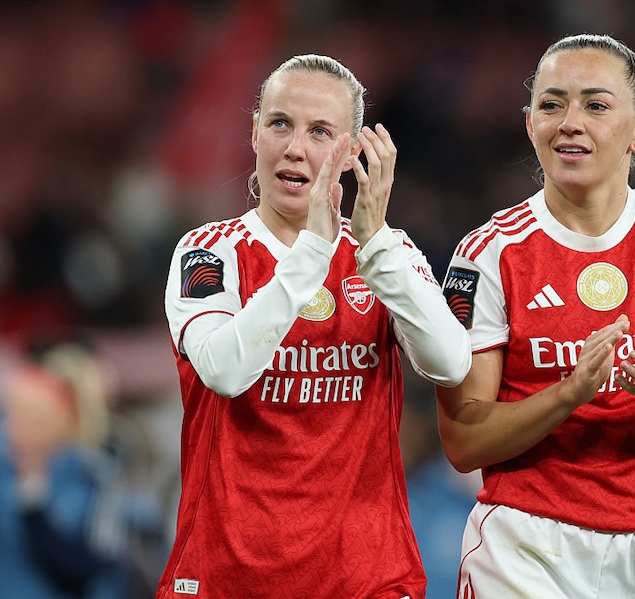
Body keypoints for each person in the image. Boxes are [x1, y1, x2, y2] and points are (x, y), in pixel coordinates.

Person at [437, 33, 635, 598]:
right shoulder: (485, 254)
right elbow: (462, 442)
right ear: (530, 124)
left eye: (596, 105)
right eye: (552, 105)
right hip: (526, 548)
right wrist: (569, 393)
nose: (570, 122)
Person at [157, 54, 472, 599]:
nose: (295, 147)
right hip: (229, 576)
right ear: (254, 134)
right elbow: (225, 370)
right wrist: (310, 256)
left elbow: (450, 362)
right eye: (280, 123)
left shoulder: (384, 256)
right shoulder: (209, 251)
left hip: (366, 576)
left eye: (320, 131)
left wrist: (374, 248)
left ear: (352, 153)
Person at [0, 344, 134, 599]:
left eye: (33, 420)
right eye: (12, 416)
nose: (14, 430)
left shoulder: (93, 478)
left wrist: (33, 502)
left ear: (61, 423)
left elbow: (85, 565)